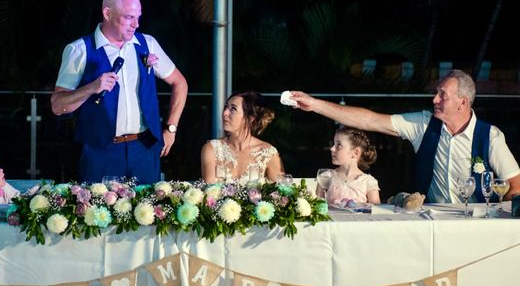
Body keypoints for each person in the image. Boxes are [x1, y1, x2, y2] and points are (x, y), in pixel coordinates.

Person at [291, 69, 520, 203]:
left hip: (477, 225)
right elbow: (369, 120)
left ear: (462, 102)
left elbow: (515, 186)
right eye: (435, 94)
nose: (434, 100)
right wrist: (315, 104)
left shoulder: (491, 137)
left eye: (442, 95)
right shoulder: (423, 124)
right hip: (432, 220)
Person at [51, 0, 188, 184]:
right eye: (129, 17)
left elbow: (180, 82)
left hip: (144, 149)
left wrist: (171, 129)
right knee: (99, 215)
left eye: (138, 17)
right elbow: (57, 105)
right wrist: (91, 88)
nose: (136, 24)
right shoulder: (79, 50)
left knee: (149, 212)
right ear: (107, 13)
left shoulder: (147, 43)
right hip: (100, 152)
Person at [201, 91, 284, 185]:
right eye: (226, 107)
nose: (225, 113)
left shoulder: (268, 153)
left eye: (233, 109)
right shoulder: (212, 149)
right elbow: (209, 192)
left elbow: (280, 194)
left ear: (250, 118)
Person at [317, 126, 380, 205]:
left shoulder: (368, 182)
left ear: (355, 153)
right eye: (333, 144)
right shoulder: (326, 177)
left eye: (338, 145)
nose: (332, 149)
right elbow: (317, 205)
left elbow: (376, 211)